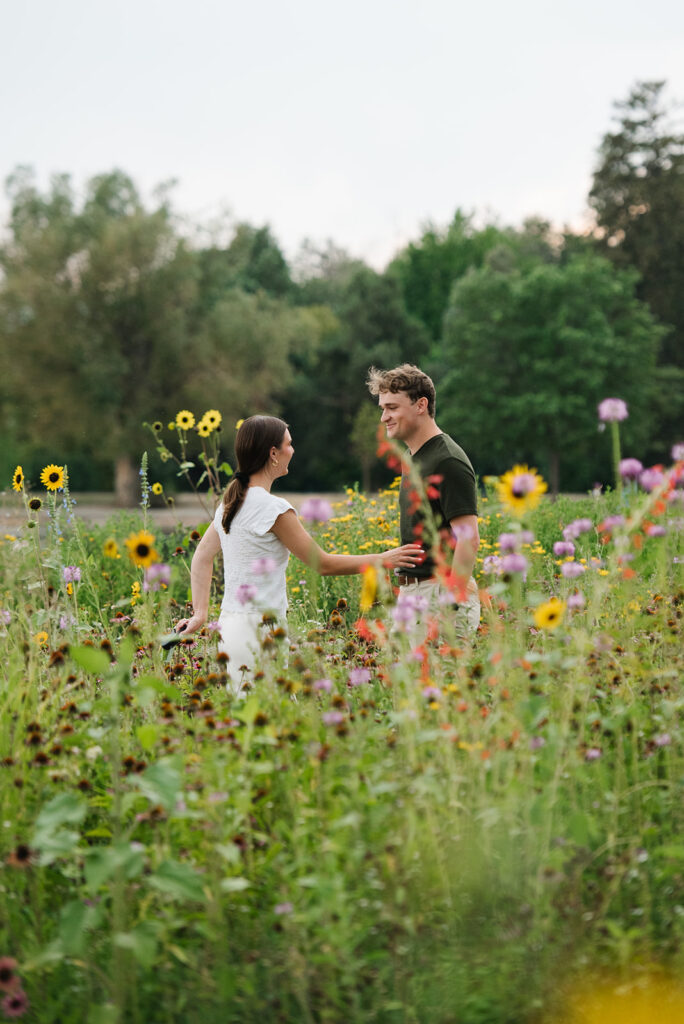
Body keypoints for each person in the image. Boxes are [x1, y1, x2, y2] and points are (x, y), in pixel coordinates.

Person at [175, 415, 423, 691]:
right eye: (289, 444)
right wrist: (384, 559)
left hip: (228, 629)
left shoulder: (231, 502)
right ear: (273, 453)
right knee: (272, 721)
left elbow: (201, 557)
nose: (293, 451)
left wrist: (200, 614)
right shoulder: (273, 509)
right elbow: (323, 564)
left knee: (245, 722)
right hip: (261, 631)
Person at [366, 364, 480, 639]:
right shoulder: (413, 457)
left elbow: (469, 538)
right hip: (413, 595)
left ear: (421, 405)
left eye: (392, 407)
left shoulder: (447, 460)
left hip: (437, 594)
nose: (384, 417)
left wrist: (449, 607)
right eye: (383, 408)